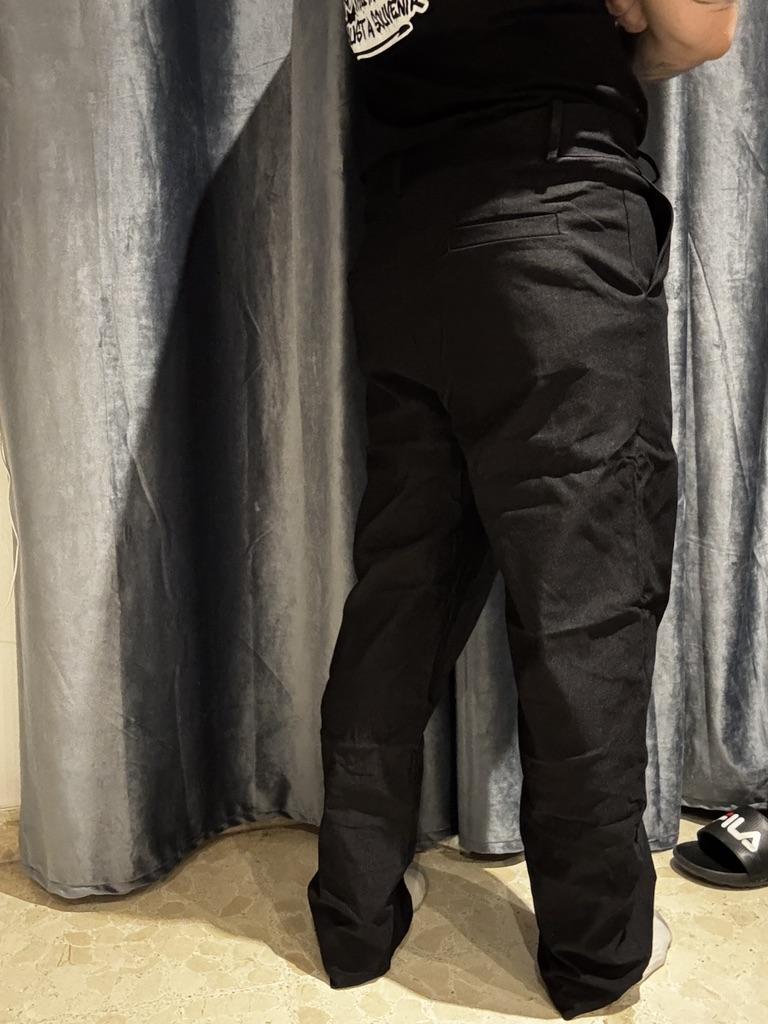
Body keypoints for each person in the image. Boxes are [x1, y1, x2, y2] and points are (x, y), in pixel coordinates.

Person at [308, 1, 739, 1019]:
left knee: (401, 592)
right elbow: (701, 26)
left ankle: (354, 915)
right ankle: (595, 957)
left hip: (407, 242)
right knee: (585, 610)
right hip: (553, 224)